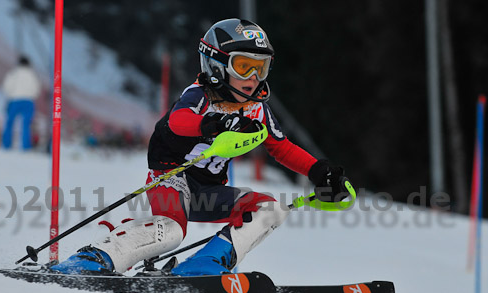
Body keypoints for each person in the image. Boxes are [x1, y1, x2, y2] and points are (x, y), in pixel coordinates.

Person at [50, 18, 350, 276]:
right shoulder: (200, 96)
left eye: (262, 67)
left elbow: (281, 148)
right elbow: (177, 122)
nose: (254, 78)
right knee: (170, 231)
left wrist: (319, 171)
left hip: (207, 192)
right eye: (244, 67)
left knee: (269, 208)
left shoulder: (256, 108)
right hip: (171, 179)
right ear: (217, 65)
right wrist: (213, 125)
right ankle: (97, 256)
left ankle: (206, 263)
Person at [1, 55, 41, 150]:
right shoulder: (33, 75)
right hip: (28, 101)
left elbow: (6, 87)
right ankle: (25, 146)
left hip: (15, 100)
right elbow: (37, 89)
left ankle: (7, 145)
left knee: (10, 122)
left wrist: (10, 95)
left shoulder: (13, 73)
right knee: (26, 124)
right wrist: (32, 95)